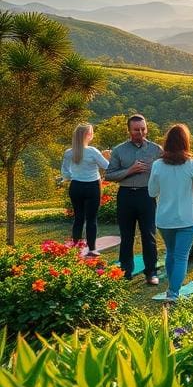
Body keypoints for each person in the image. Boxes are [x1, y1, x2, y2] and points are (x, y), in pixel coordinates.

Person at [148, 124, 193, 302]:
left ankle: (171, 290)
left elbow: (151, 192)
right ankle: (173, 293)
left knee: (171, 253)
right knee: (181, 256)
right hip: (187, 218)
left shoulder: (157, 165)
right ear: (185, 142)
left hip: (165, 218)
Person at [105, 114, 163, 283]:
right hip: (126, 196)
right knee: (127, 235)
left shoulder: (156, 150)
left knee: (149, 235)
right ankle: (125, 271)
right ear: (129, 130)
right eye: (136, 129)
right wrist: (130, 170)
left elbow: (165, 170)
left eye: (143, 129)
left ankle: (151, 272)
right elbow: (109, 176)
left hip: (147, 195)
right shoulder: (119, 150)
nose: (140, 132)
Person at [60, 123, 111, 256]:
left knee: (78, 218)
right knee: (91, 219)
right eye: (91, 132)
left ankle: (75, 248)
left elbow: (64, 173)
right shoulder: (93, 151)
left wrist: (75, 176)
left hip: (76, 187)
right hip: (92, 187)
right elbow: (107, 167)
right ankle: (92, 249)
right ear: (87, 135)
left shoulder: (69, 152)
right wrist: (107, 156)